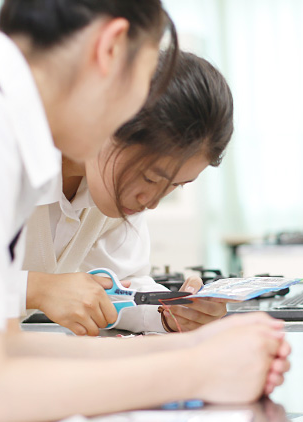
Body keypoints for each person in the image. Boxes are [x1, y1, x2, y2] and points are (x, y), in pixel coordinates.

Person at [0, 0, 291, 422]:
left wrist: (193, 345)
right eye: (145, 79)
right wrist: (197, 371)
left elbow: (7, 345)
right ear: (110, 50)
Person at [22, 51, 232, 336]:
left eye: (175, 185)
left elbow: (123, 286)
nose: (152, 201)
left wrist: (172, 314)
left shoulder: (109, 193)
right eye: (150, 177)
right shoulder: (9, 156)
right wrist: (36, 288)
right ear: (108, 122)